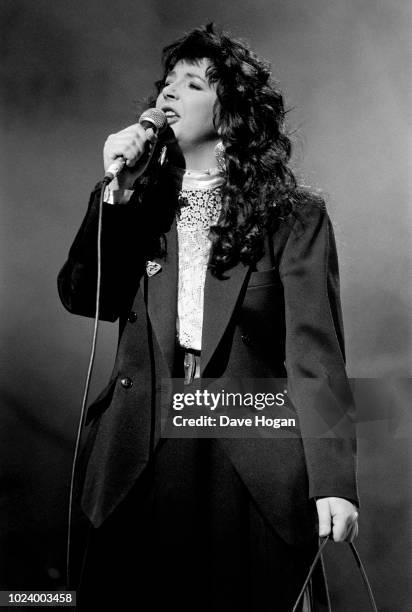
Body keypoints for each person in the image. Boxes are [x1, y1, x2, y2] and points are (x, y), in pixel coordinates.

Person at [58, 23, 359, 611]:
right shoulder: (138, 202)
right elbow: (86, 296)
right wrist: (115, 192)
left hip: (246, 443)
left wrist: (333, 483)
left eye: (192, 83)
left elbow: (316, 358)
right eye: (166, 83)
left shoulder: (294, 218)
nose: (168, 94)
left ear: (230, 115)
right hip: (140, 445)